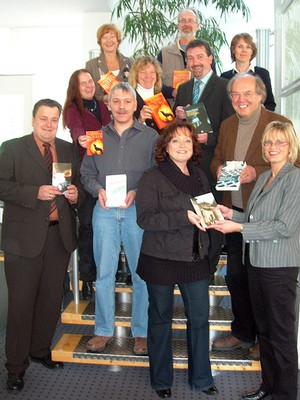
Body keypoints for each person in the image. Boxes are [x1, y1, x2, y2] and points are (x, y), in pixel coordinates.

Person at [208, 121, 300, 400]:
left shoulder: (294, 178)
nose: (273, 147)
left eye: (280, 142)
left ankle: (285, 395)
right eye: (269, 142)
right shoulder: (263, 178)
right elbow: (254, 218)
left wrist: (239, 228)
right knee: (266, 334)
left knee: (282, 337)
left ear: (291, 147)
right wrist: (230, 214)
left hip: (280, 268)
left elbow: (283, 226)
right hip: (257, 265)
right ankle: (268, 386)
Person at [0, 99, 84, 392]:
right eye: (43, 119)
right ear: (33, 120)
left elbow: (81, 188)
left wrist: (75, 195)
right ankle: (15, 367)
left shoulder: (68, 149)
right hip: (22, 240)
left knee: (50, 300)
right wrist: (34, 192)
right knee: (21, 305)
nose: (48, 124)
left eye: (53, 119)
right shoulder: (11, 148)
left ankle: (39, 351)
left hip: (58, 237)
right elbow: (1, 186)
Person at [210, 73, 296, 357]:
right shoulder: (226, 124)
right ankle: (242, 332)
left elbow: (291, 163)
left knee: (262, 284)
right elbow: (216, 158)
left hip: (265, 219)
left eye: (247, 93)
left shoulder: (279, 123)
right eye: (235, 94)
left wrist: (255, 172)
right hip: (234, 214)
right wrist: (218, 170)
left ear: (260, 95)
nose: (240, 99)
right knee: (236, 277)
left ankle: (264, 339)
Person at [135, 120, 218, 399]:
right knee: (160, 320)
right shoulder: (151, 177)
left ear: (194, 145)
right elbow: (145, 219)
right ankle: (161, 380)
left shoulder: (200, 175)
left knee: (199, 319)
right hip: (160, 259)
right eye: (175, 141)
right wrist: (182, 217)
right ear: (165, 147)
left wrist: (216, 218)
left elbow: (207, 212)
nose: (182, 146)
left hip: (195, 259)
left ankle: (202, 378)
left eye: (187, 140)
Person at [80, 82, 159, 355]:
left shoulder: (150, 137)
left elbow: (157, 174)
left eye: (127, 101)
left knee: (142, 274)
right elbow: (87, 173)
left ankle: (141, 332)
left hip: (137, 212)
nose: (122, 106)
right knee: (104, 274)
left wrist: (138, 191)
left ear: (135, 104)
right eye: (117, 101)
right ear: (109, 104)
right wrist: (96, 189)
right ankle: (102, 331)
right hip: (104, 210)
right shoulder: (96, 136)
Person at [174, 38, 234, 274]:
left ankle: (207, 270)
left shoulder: (225, 86)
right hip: (187, 167)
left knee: (212, 217)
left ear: (210, 58)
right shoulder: (184, 89)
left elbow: (231, 127)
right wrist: (179, 117)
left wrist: (208, 139)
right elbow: (178, 129)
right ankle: (192, 264)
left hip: (213, 166)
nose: (195, 62)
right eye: (190, 58)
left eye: (200, 57)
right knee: (191, 215)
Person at [63, 69, 111, 300]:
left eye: (90, 81)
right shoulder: (73, 109)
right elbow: (76, 129)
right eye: (83, 83)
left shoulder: (103, 105)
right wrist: (81, 137)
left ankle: (114, 270)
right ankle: (87, 277)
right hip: (88, 173)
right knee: (88, 226)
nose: (89, 85)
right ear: (76, 87)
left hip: (110, 171)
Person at [157, 8, 216, 104]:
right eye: (183, 21)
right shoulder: (164, 53)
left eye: (190, 21)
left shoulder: (207, 52)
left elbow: (213, 82)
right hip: (171, 113)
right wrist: (173, 92)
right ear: (178, 25)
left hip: (199, 111)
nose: (186, 24)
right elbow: (156, 83)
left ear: (197, 26)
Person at [221, 33, 276, 111]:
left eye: (248, 47)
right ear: (233, 50)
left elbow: (270, 104)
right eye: (240, 47)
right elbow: (223, 106)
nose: (244, 50)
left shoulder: (263, 74)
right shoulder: (224, 77)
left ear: (252, 51)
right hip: (233, 121)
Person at [85, 23, 133, 103]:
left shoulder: (130, 62)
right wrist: (102, 98)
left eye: (112, 37)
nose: (109, 41)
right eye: (105, 37)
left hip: (126, 111)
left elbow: (134, 88)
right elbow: (87, 91)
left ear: (118, 40)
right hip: (102, 111)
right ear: (100, 42)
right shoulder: (91, 65)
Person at [128, 55, 163, 132]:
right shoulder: (128, 100)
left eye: (152, 72)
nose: (148, 76)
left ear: (157, 76)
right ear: (136, 76)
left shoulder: (162, 98)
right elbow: (125, 133)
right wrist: (140, 121)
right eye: (143, 72)